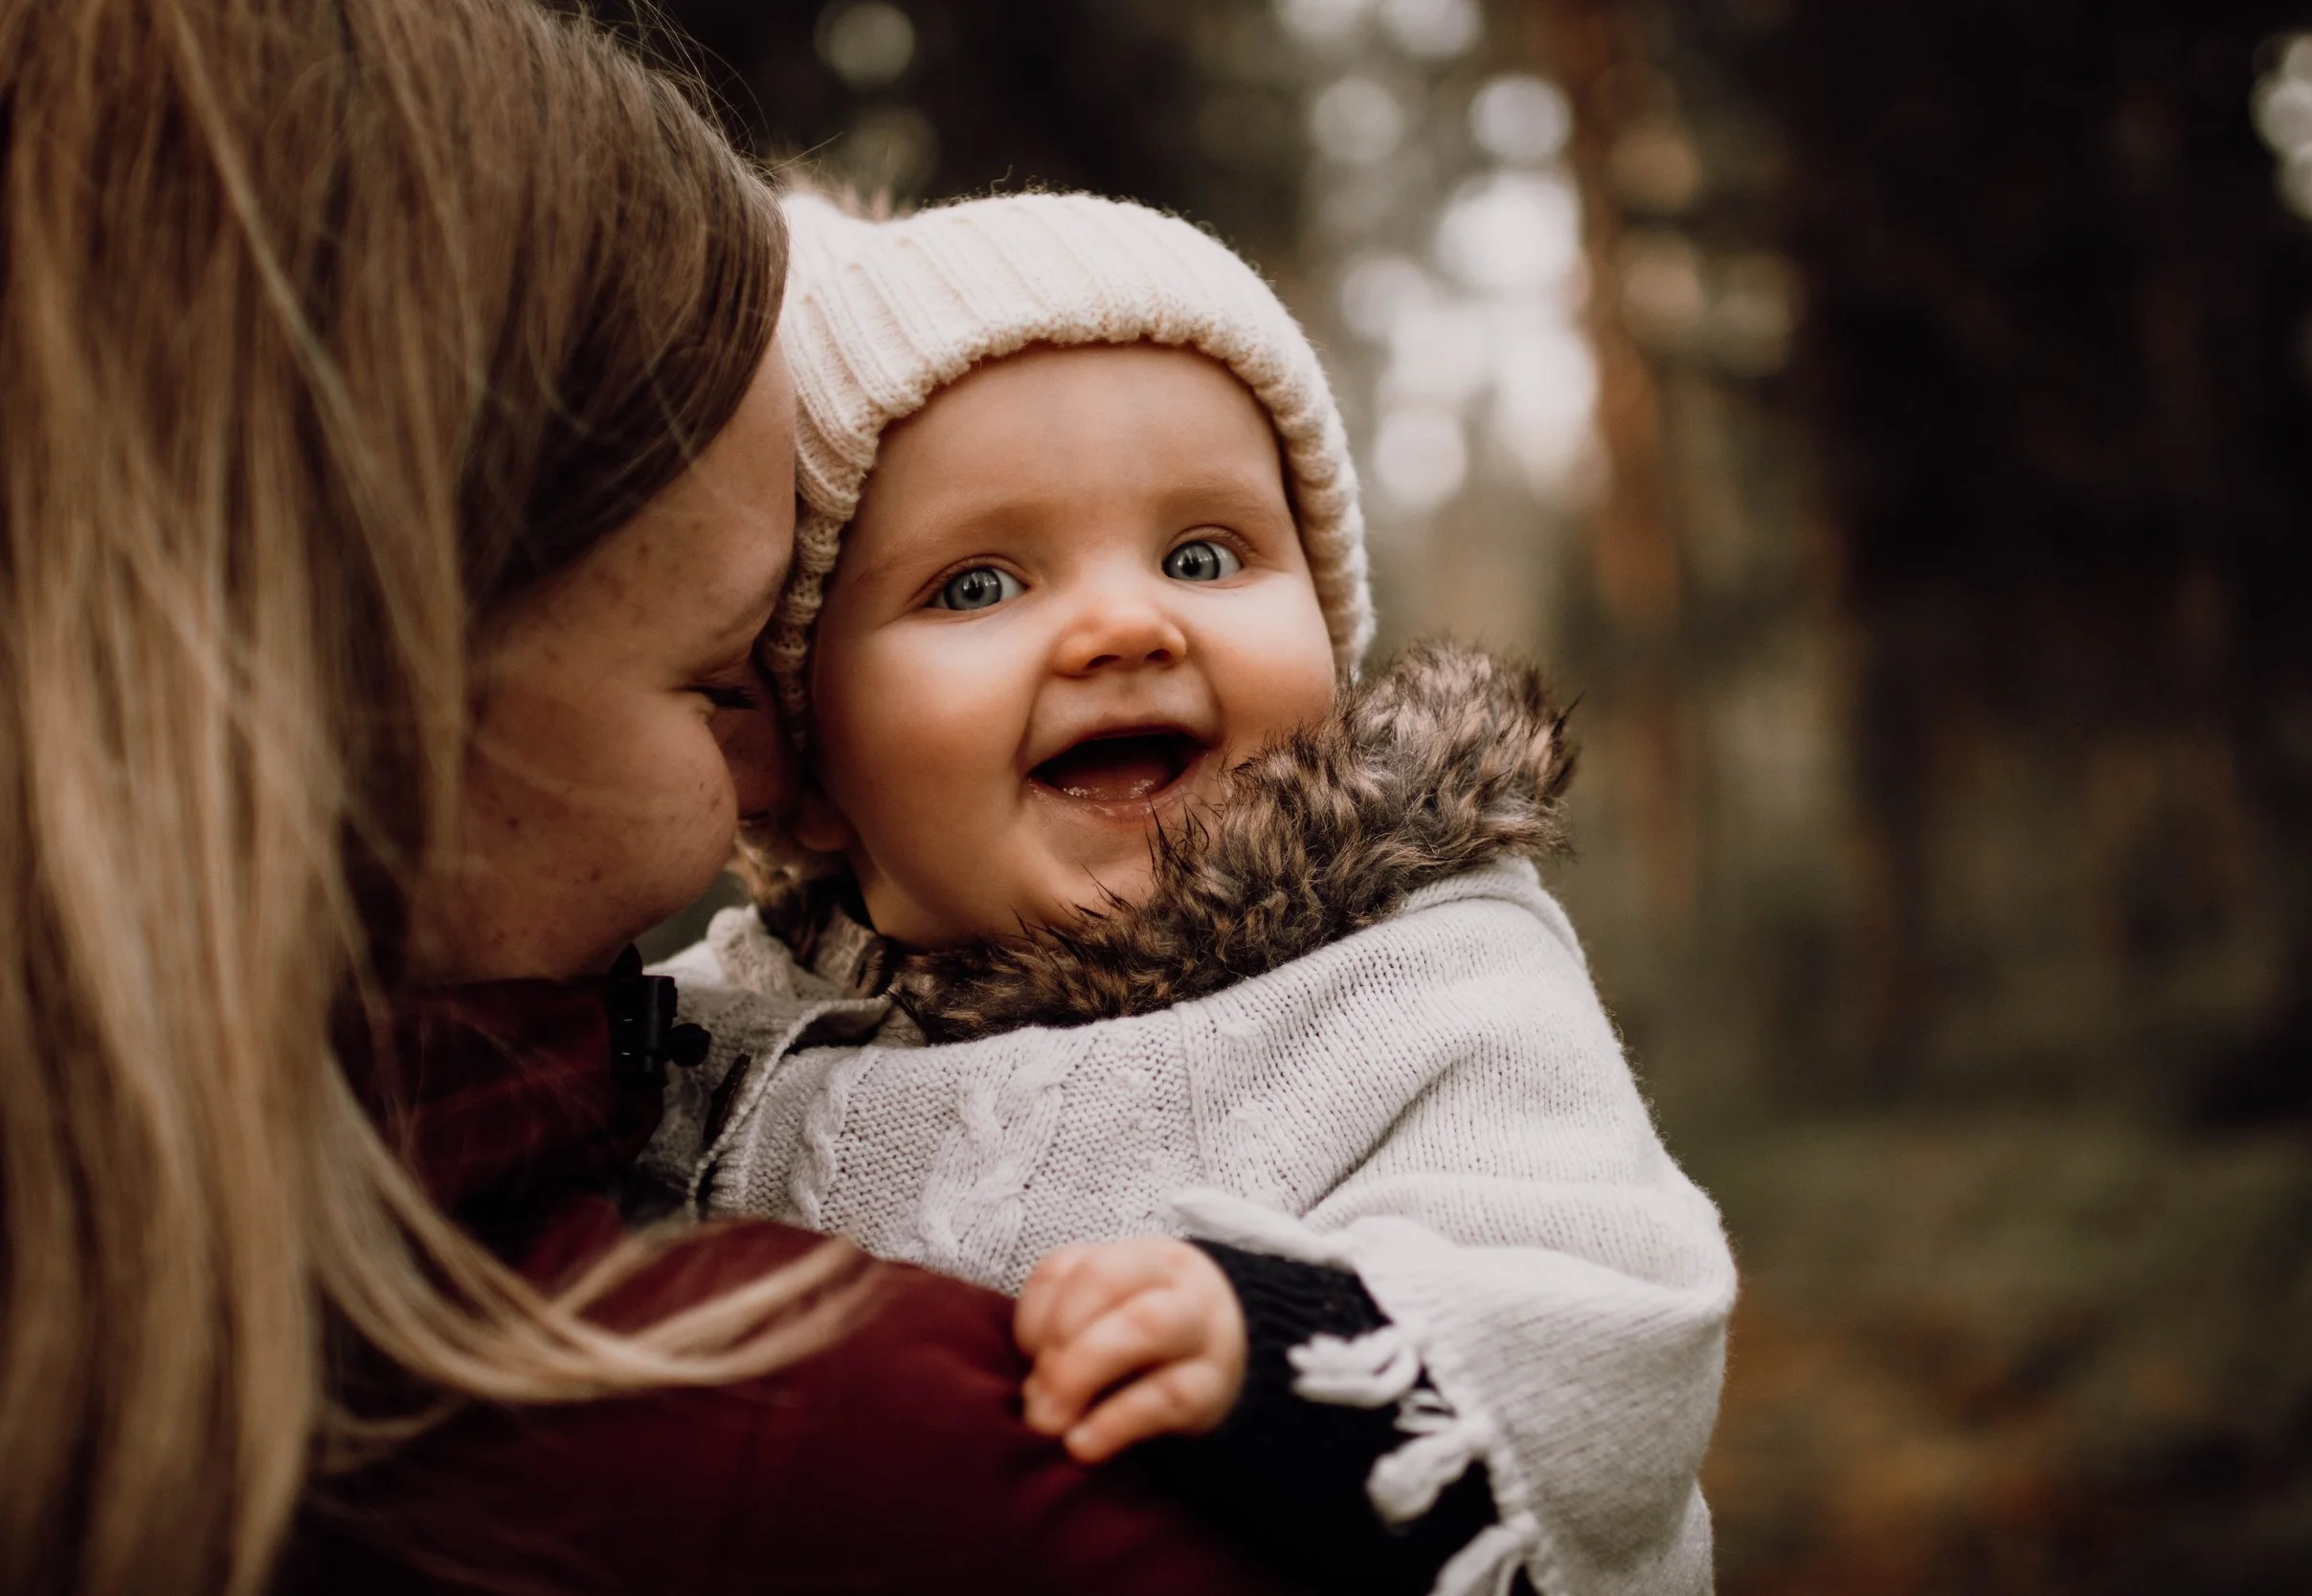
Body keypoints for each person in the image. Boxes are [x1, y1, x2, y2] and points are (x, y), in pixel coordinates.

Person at [0, 4, 1332, 1593]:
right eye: (717, 679)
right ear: (383, 685)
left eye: (1205, 553)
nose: (770, 784)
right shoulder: (846, 1471)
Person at [647, 191, 1739, 1596]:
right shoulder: (709, 1039)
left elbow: (1616, 1314)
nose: (1125, 625)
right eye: (977, 584)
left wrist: (1280, 1344)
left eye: (1204, 557)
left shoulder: (1431, 977)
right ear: (801, 761)